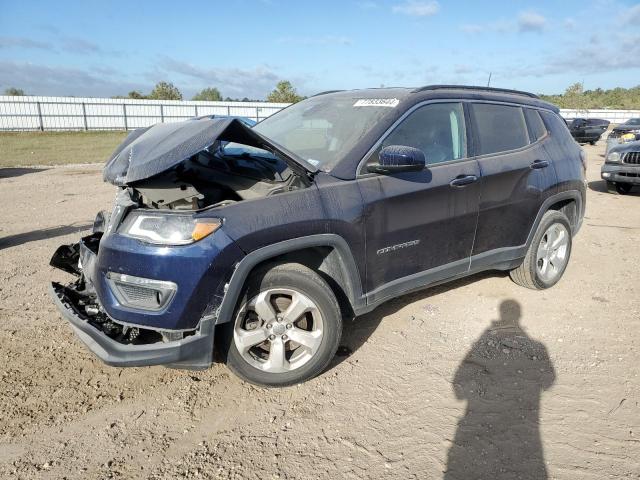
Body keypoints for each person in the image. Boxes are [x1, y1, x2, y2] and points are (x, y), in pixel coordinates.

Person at [445, 300, 556, 479]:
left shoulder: (484, 340)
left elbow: (458, 388)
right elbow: (549, 381)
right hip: (524, 425)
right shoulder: (538, 347)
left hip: (478, 417)